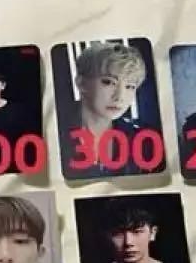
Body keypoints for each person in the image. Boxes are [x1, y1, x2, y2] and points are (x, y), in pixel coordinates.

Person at [62, 42, 151, 177]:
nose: (119, 97)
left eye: (129, 86)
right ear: (81, 83)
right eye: (108, 82)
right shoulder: (55, 131)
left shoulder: (142, 139)